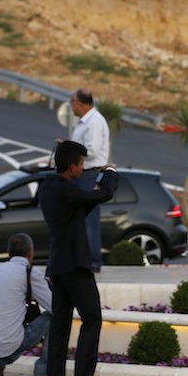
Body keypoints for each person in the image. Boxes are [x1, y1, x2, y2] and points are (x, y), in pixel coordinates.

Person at [40, 140, 118, 376]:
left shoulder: (49, 187)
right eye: (82, 164)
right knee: (92, 318)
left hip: (58, 265)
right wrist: (110, 173)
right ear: (72, 166)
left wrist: (91, 193)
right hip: (74, 264)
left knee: (60, 323)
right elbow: (105, 194)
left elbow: (76, 210)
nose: (83, 168)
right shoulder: (68, 191)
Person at [0, 232, 53, 376]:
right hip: (10, 340)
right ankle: (43, 372)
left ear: (8, 252)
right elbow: (54, 307)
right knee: (57, 317)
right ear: (30, 252)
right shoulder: (29, 272)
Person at [68, 87, 111, 272]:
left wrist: (71, 150)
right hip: (82, 174)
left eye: (72, 103)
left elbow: (91, 151)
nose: (71, 107)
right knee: (80, 219)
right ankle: (82, 259)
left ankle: (94, 261)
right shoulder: (84, 121)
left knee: (89, 221)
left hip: (88, 174)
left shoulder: (94, 122)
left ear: (78, 103)